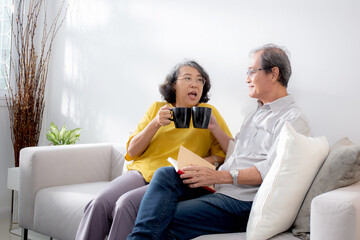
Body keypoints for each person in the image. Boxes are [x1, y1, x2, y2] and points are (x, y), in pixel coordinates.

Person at [127, 44, 311, 240]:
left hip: (243, 201)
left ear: (273, 74)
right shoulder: (255, 115)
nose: (247, 79)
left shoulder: (292, 121)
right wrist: (215, 128)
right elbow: (236, 151)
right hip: (223, 188)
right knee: (165, 175)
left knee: (162, 218)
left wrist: (217, 176)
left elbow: (270, 170)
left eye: (251, 72)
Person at [75, 60, 232, 240]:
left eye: (200, 80)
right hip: (142, 172)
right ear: (174, 84)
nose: (194, 84)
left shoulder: (208, 112)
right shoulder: (157, 109)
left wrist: (212, 134)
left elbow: (227, 154)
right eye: (187, 78)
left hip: (173, 178)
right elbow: (132, 151)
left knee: (125, 204)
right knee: (99, 203)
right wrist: (155, 123)